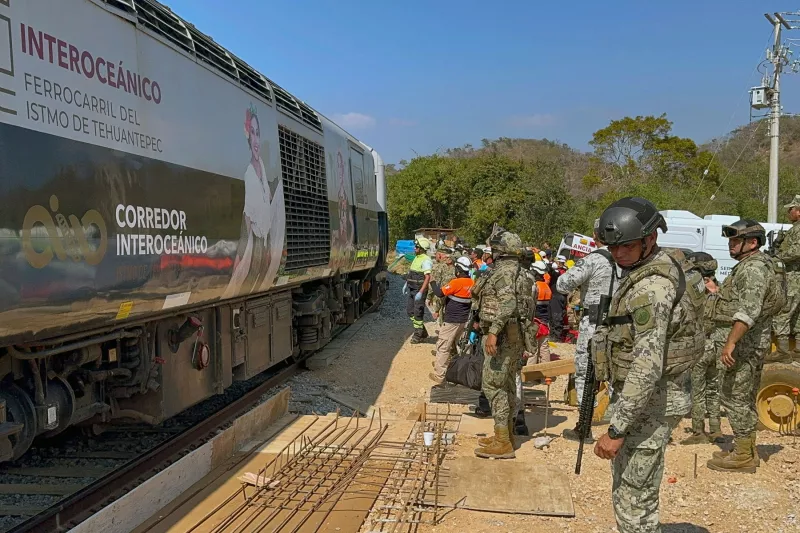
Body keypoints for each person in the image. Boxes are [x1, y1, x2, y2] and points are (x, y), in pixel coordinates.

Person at [592, 197, 705, 533]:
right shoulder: (653, 266)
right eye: (613, 248)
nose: (617, 255)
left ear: (650, 239)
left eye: (625, 246)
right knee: (636, 487)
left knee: (632, 495)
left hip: (651, 401)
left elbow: (647, 365)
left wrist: (617, 430)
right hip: (650, 398)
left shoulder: (652, 288)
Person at [707, 220, 787, 473]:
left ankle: (742, 454)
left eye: (735, 241)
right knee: (744, 396)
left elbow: (748, 311)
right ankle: (747, 450)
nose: (731, 245)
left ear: (752, 243)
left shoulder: (752, 269)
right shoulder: (751, 266)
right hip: (749, 343)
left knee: (734, 396)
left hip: (744, 344)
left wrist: (730, 343)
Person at [557, 218, 618, 442]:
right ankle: (621, 427)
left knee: (585, 373)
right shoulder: (626, 260)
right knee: (616, 375)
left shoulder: (593, 260)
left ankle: (585, 425)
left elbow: (563, 284)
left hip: (594, 322)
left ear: (596, 236)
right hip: (619, 323)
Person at [472, 227, 528, 459]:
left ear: (499, 251)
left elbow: (508, 305)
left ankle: (503, 440)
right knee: (507, 385)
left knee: (494, 386)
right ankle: (505, 435)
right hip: (516, 338)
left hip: (502, 338)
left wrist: (493, 332)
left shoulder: (503, 273)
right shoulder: (522, 273)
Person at [681, 252, 724, 445]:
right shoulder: (721, 289)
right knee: (714, 389)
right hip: (720, 346)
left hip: (701, 346)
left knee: (697, 390)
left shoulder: (695, 290)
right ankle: (716, 429)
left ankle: (699, 431)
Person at [429, 256, 475, 384]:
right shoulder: (472, 283)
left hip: (452, 320)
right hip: (462, 320)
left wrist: (432, 282)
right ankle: (449, 366)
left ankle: (440, 375)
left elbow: (439, 293)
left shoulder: (456, 283)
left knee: (443, 346)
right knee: (453, 345)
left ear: (459, 269)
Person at [772, 195, 800, 357]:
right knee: (796, 314)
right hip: (795, 277)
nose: (789, 212)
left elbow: (796, 251)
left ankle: (782, 351)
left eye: (791, 209)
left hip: (793, 277)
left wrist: (777, 256)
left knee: (784, 311)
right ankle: (797, 349)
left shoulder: (798, 229)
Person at [403, 238, 433, 344]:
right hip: (412, 288)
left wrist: (421, 291)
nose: (414, 248)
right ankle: (422, 331)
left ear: (421, 249)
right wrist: (406, 283)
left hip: (419, 289)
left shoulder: (426, 260)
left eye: (416, 247)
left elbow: (427, 277)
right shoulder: (417, 258)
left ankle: (418, 335)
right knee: (410, 311)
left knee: (418, 313)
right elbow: (411, 273)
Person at [428, 248, 455, 328]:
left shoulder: (438, 267)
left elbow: (435, 284)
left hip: (443, 298)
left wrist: (429, 297)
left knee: (443, 323)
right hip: (456, 300)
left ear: (439, 255)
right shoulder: (456, 267)